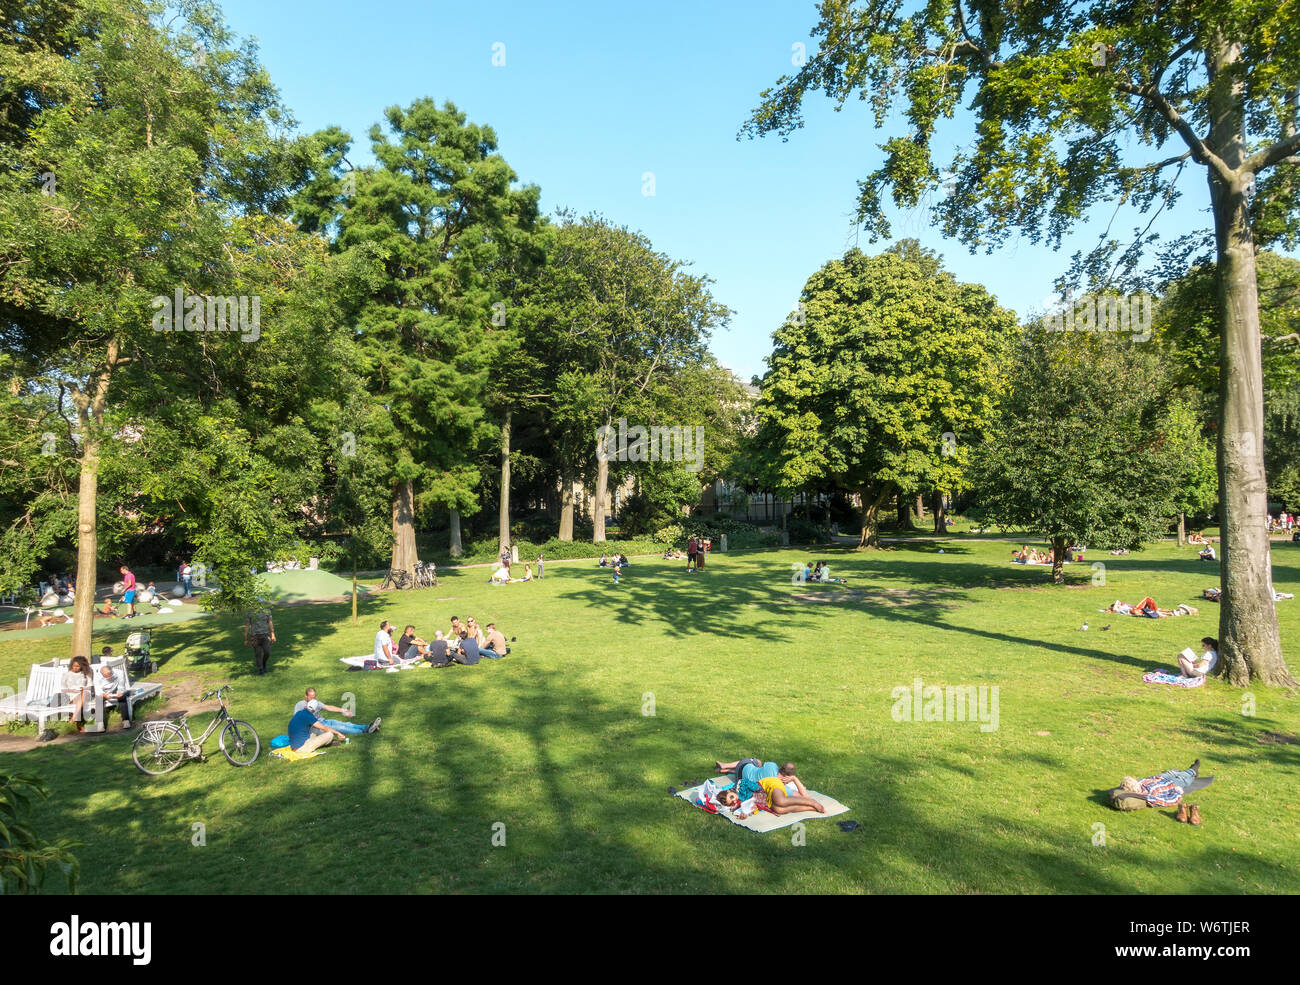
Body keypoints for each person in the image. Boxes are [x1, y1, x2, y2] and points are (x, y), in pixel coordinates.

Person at [714, 761, 826, 816]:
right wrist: (748, 811)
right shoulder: (739, 803)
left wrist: (754, 800)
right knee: (779, 809)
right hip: (765, 800)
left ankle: (812, 802)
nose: (735, 800)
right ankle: (811, 808)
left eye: (732, 797)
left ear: (730, 791)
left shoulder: (740, 784)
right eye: (732, 802)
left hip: (768, 786)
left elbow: (756, 788)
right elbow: (752, 806)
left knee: (781, 801)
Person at [293, 687, 380, 735]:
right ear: (306, 696)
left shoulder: (316, 703)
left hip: (324, 721)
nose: (313, 699)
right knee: (341, 728)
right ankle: (364, 732)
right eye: (311, 697)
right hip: (317, 725)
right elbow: (296, 720)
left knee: (345, 724)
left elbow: (328, 707)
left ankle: (368, 726)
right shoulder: (300, 704)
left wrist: (343, 710)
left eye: (314, 697)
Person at [95, 660, 133, 729]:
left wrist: (119, 693)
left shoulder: (119, 673)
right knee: (98, 699)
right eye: (107, 677)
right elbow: (98, 690)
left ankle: (125, 720)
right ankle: (100, 723)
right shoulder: (97, 677)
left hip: (116, 689)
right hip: (104, 692)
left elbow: (121, 686)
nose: (109, 678)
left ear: (112, 671)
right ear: (102, 674)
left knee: (122, 698)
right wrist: (104, 695)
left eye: (110, 676)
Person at [61, 656, 94, 731]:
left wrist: (83, 688)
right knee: (81, 698)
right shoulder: (67, 675)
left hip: (85, 694)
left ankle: (74, 718)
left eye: (77, 666)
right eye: (74, 666)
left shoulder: (86, 674)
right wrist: (73, 690)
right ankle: (77, 723)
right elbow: (63, 689)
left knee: (84, 693)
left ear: (82, 666)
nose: (75, 668)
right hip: (71, 696)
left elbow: (90, 686)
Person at [245, 608, 276, 675]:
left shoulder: (267, 611)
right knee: (258, 653)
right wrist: (245, 639)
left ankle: (264, 663)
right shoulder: (250, 612)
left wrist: (272, 634)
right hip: (255, 637)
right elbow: (247, 625)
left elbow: (270, 622)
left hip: (265, 635)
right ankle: (261, 669)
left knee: (267, 652)